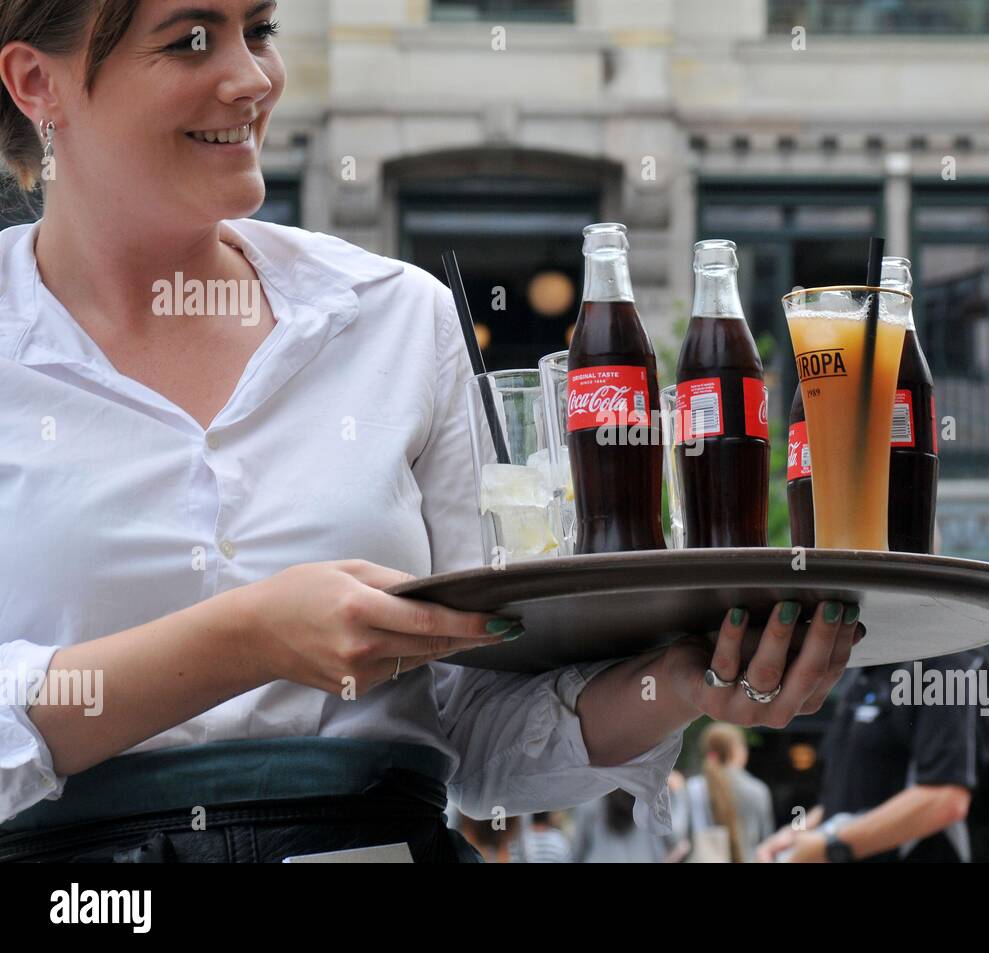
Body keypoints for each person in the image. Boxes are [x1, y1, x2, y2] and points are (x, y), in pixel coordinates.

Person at [0, 0, 859, 863]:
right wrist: (248, 637)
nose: (253, 78)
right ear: (39, 82)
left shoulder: (396, 315)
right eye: (191, 40)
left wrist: (678, 682)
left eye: (259, 30)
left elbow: (477, 730)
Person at [757, 650, 989, 863]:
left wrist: (830, 847)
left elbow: (945, 798)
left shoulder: (945, 663)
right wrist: (798, 834)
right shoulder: (868, 668)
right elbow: (857, 797)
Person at [676, 722, 774, 862]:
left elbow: (679, 837)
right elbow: (766, 841)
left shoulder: (692, 788)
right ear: (736, 750)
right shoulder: (757, 790)